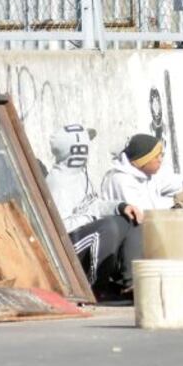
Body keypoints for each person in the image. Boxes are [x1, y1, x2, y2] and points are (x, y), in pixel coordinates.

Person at [45, 124, 143, 297]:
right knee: (108, 227)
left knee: (130, 219)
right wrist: (93, 219)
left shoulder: (81, 175)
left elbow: (94, 204)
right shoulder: (57, 182)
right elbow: (61, 227)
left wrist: (120, 207)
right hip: (65, 247)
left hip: (84, 236)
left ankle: (128, 284)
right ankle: (94, 288)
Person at [100, 134, 182, 211]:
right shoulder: (122, 180)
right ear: (143, 160)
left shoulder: (146, 174)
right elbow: (143, 213)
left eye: (161, 155)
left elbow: (176, 184)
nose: (160, 160)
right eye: (156, 156)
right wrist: (175, 203)